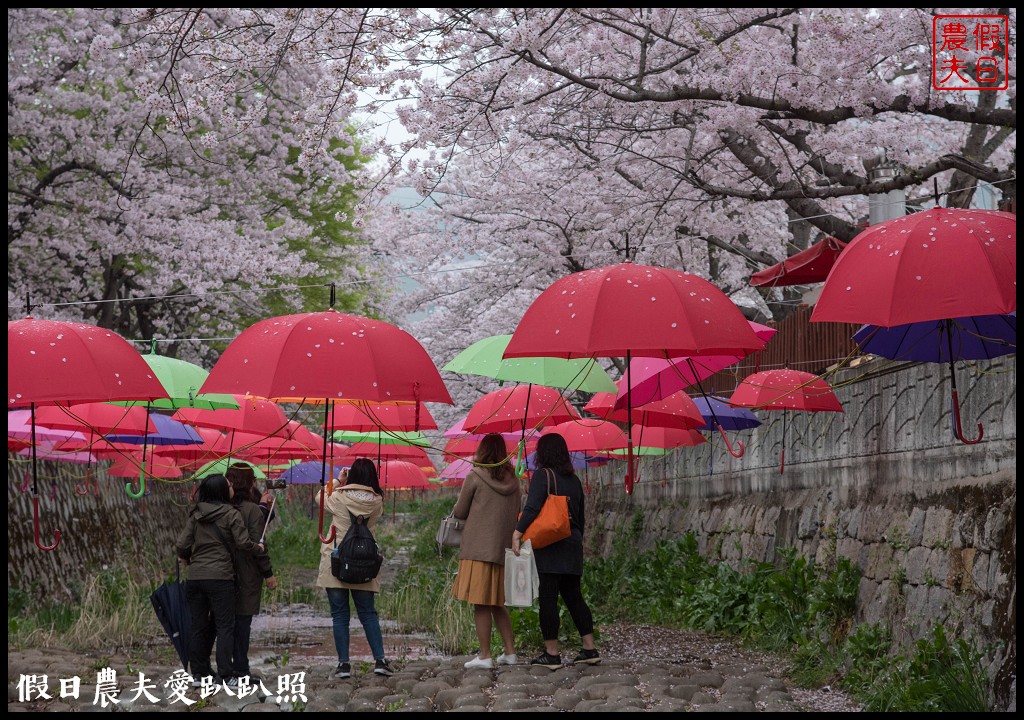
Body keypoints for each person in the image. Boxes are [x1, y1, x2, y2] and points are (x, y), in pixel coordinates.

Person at [512, 432, 599, 669]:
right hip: (572, 543)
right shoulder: (574, 480)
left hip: (550, 546)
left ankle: (552, 654)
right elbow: (580, 516)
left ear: (543, 453)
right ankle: (589, 648)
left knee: (549, 599)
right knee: (574, 597)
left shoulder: (543, 476)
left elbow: (531, 508)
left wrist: (517, 533)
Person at [175, 474, 262, 686]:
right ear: (222, 491)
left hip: (195, 578)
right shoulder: (231, 514)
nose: (231, 486)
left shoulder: (196, 514)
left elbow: (181, 544)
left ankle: (199, 674)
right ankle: (225, 674)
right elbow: (242, 542)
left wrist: (187, 558)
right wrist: (257, 547)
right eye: (228, 485)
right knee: (225, 626)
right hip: (220, 577)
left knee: (198, 625)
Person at [315, 458, 395, 679]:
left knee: (340, 615)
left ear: (351, 476)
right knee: (368, 613)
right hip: (364, 562)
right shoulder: (377, 501)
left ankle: (343, 665)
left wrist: (338, 482)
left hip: (337, 560)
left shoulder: (339, 497)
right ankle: (380, 660)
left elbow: (319, 498)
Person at [451, 433, 521, 669]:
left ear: (482, 451)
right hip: (502, 550)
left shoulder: (475, 476)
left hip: (478, 548)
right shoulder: (514, 481)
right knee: (496, 602)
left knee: (481, 602)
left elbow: (460, 512)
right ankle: (510, 652)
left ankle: (485, 655)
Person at [226, 463, 278, 681]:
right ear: (250, 484)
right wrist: (268, 574)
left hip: (222, 571)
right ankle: (240, 668)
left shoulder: (221, 507)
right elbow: (258, 546)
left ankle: (219, 669)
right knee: (242, 622)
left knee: (223, 623)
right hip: (246, 573)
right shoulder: (252, 510)